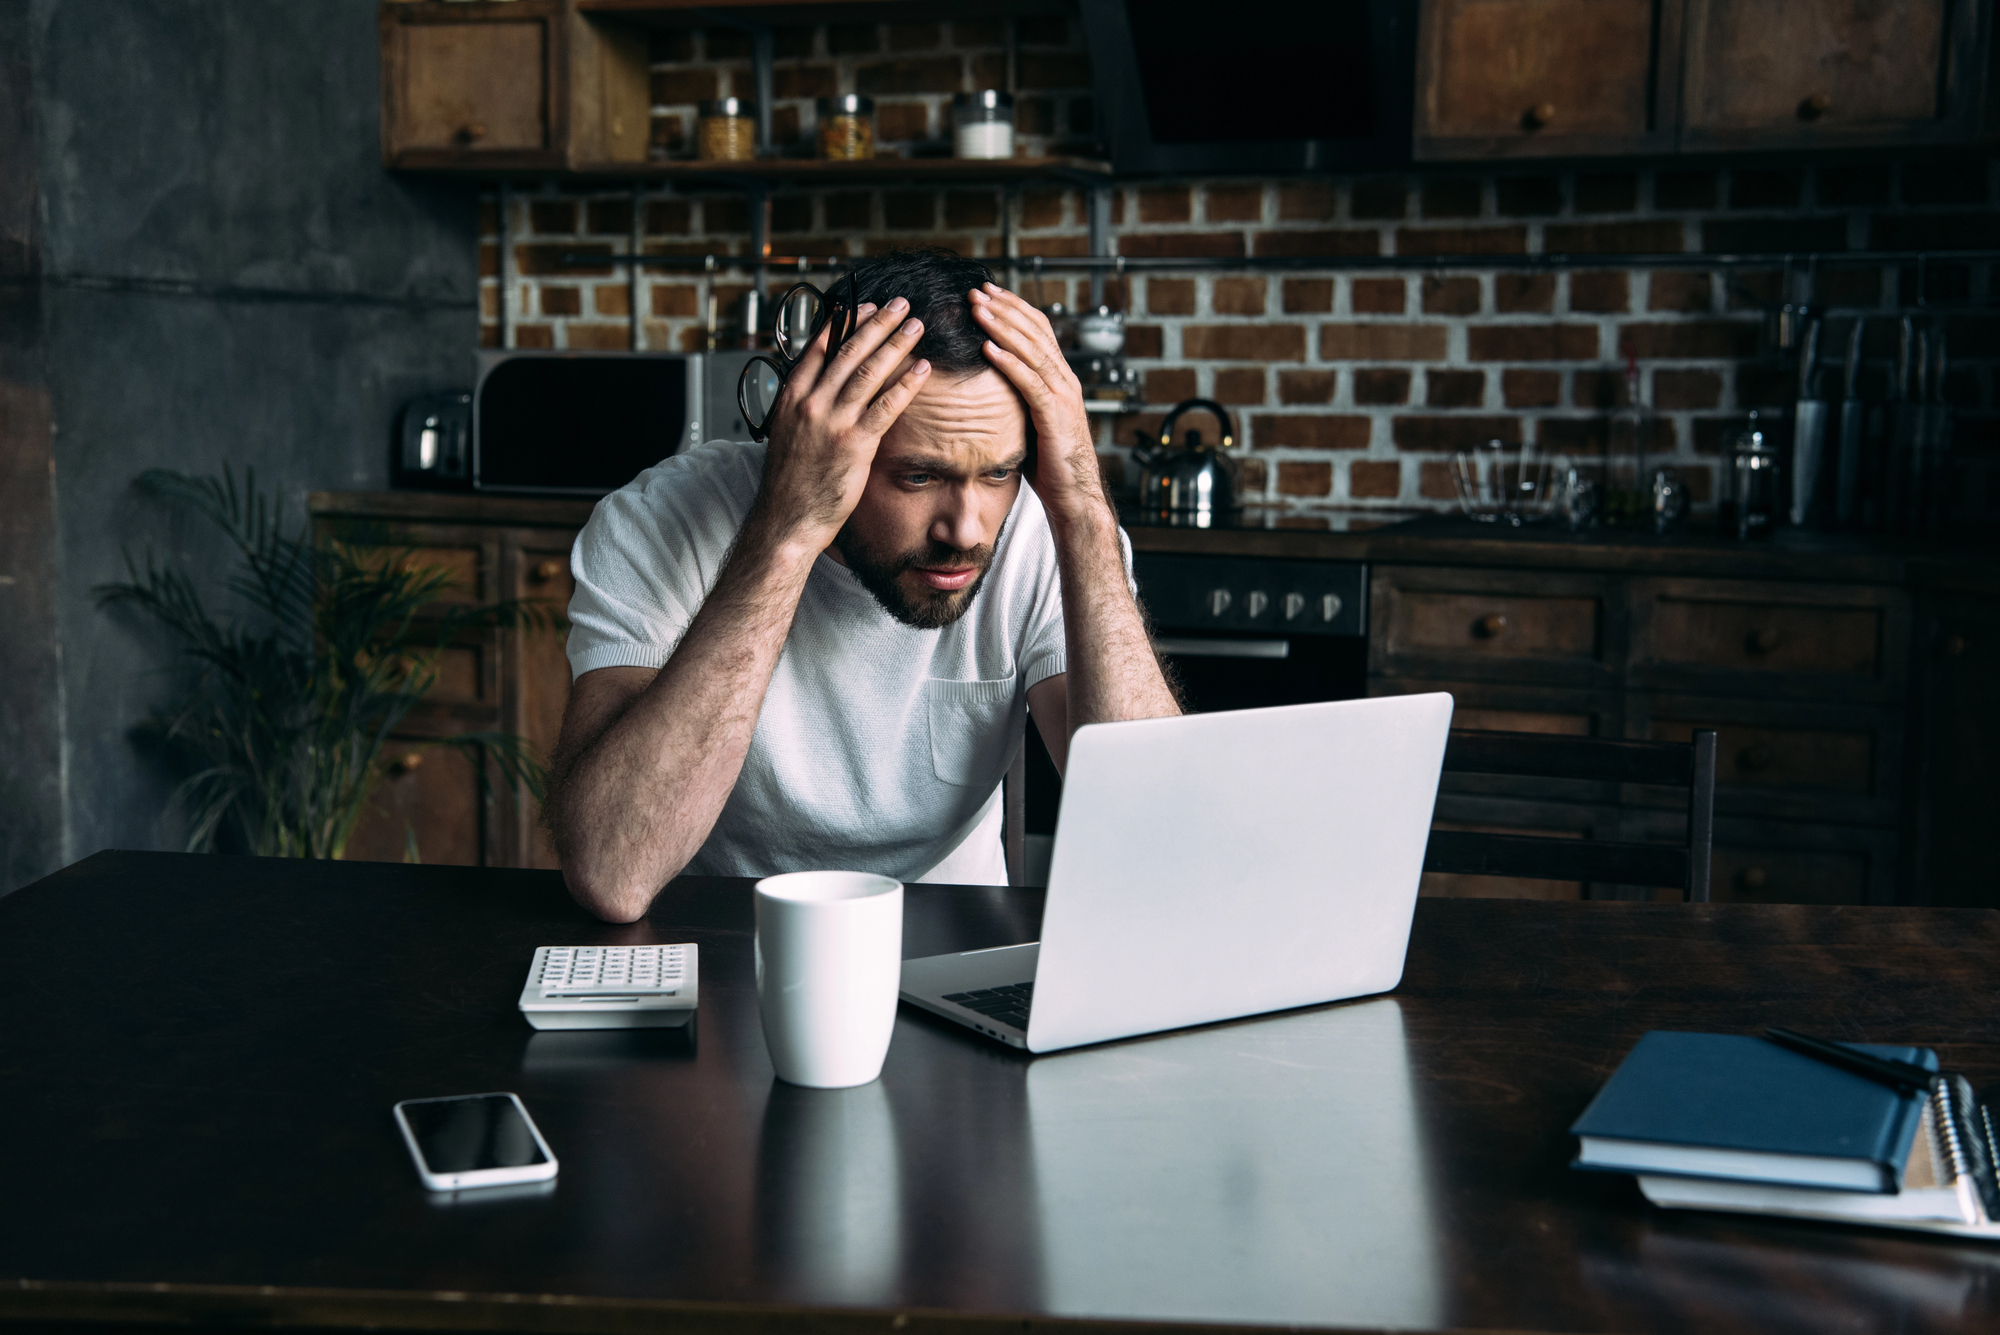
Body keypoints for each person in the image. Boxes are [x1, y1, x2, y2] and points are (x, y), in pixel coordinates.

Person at [546, 248, 1180, 923]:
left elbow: (1157, 848)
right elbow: (613, 872)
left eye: (998, 472)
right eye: (919, 476)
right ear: (823, 442)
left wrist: (1083, 505)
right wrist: (786, 532)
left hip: (951, 939)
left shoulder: (1040, 533)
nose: (966, 529)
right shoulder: (654, 522)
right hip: (722, 937)